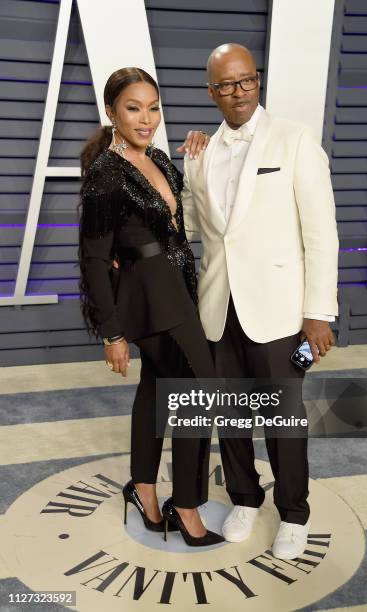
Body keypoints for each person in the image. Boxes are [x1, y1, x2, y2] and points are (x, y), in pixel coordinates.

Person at [181, 44, 339, 559]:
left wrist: (319, 311)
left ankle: (294, 512)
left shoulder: (294, 140)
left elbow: (321, 232)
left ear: (257, 81)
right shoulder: (201, 153)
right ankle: (244, 498)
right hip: (217, 307)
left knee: (283, 418)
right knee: (228, 414)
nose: (238, 91)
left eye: (246, 80)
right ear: (212, 92)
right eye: (226, 84)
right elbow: (192, 226)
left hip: (279, 309)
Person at [78, 67, 224, 547]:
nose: (147, 119)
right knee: (200, 391)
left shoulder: (160, 157)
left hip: (177, 286)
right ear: (112, 113)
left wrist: (197, 160)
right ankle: (186, 504)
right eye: (134, 108)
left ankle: (143, 488)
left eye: (153, 107)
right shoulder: (105, 173)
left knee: (157, 389)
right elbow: (95, 258)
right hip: (151, 298)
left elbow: (177, 223)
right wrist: (112, 333)